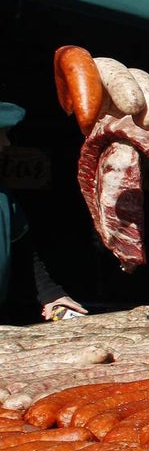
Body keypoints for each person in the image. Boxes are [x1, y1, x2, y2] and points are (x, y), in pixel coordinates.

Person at [0, 102, 87, 323]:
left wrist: (51, 294)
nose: (6, 143)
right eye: (1, 135)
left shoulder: (3, 199)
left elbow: (24, 256)